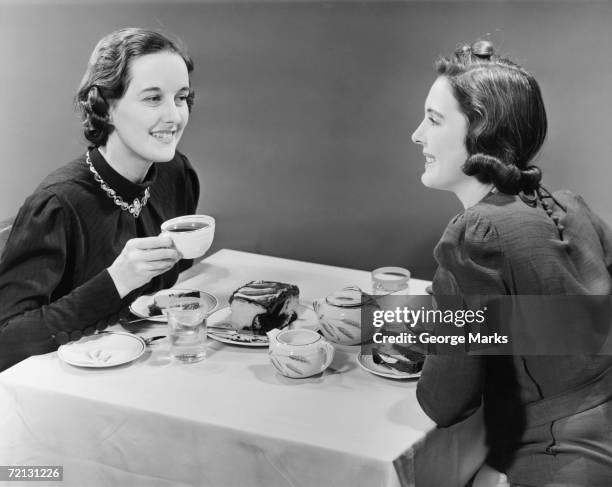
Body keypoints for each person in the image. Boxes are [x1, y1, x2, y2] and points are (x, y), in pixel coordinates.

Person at [410, 40, 612, 486]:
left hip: (557, 461)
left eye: (434, 119)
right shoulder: (566, 208)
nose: (417, 134)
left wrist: (381, 327)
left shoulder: (476, 237)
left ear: (480, 131)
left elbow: (443, 402)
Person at [0, 28, 200, 371]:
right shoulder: (57, 205)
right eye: (153, 98)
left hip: (148, 369)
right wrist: (117, 280)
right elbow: (7, 341)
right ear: (104, 107)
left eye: (180, 98)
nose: (174, 116)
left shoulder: (175, 174)